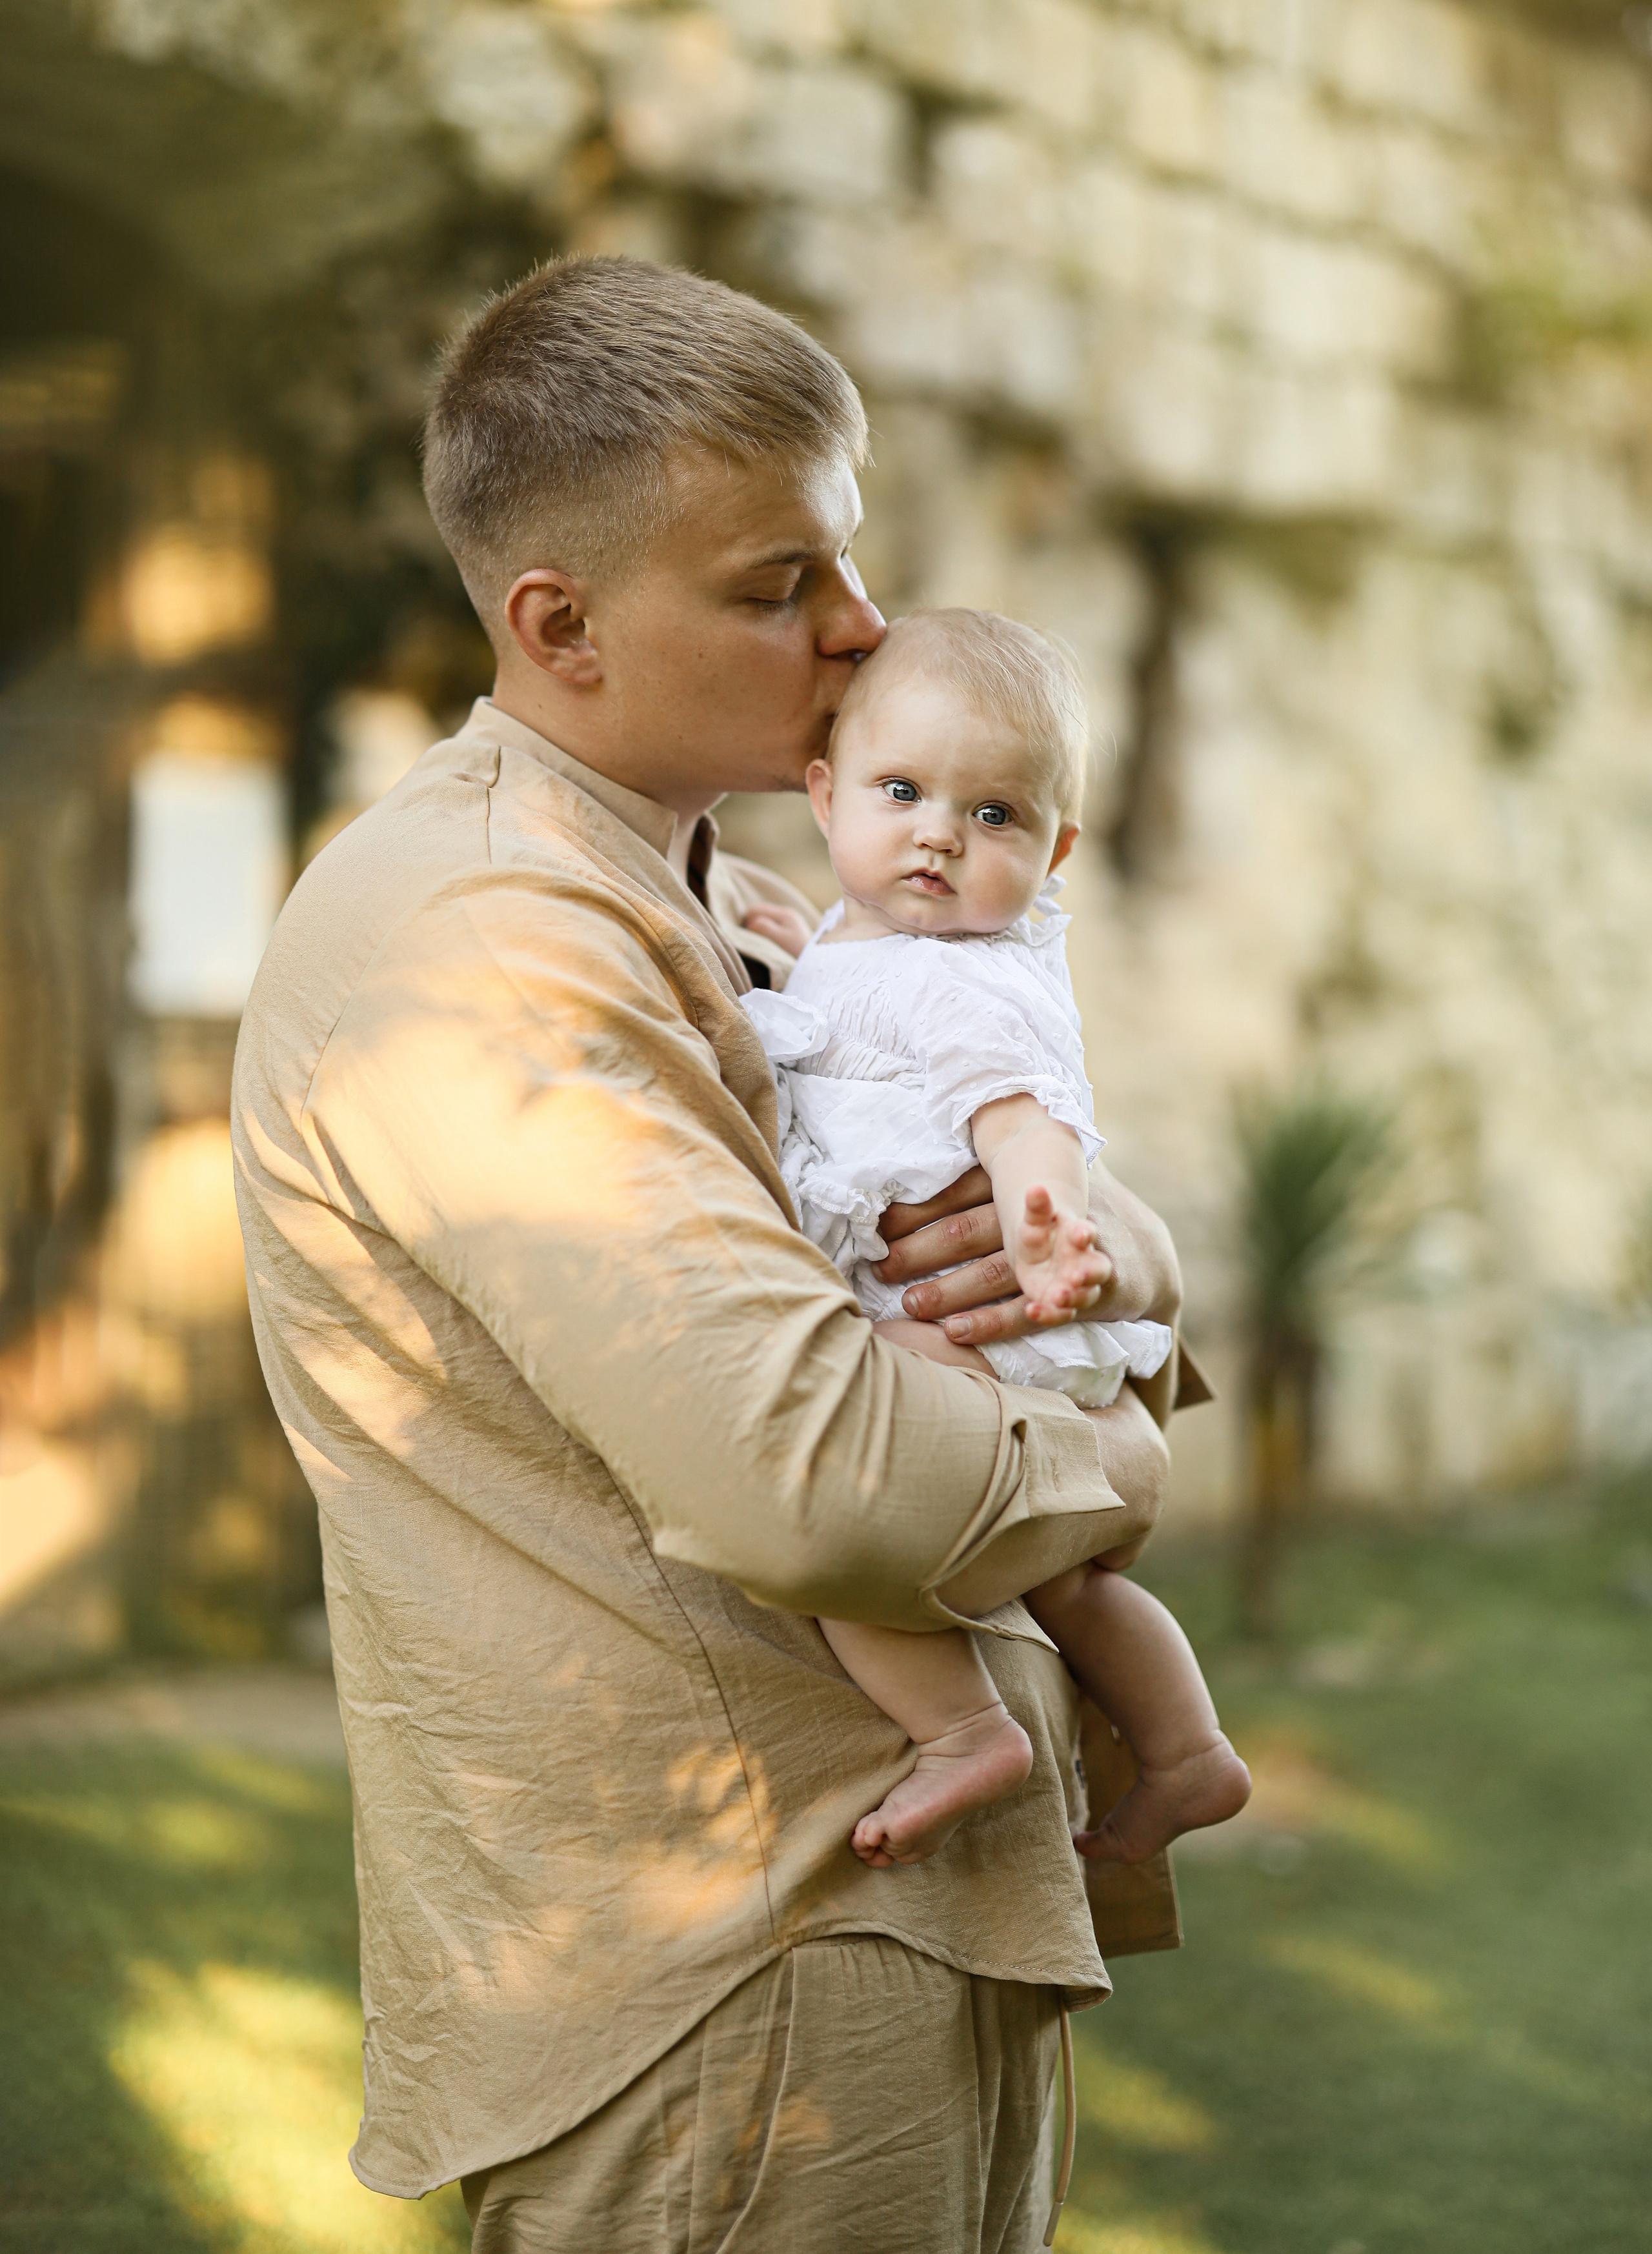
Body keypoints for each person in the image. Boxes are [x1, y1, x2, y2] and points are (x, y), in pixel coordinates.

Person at [232, 255, 1196, 2254]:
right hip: (739, 1974)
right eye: (778, 588)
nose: (859, 636)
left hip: (896, 1916)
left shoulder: (738, 893)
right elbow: (819, 1475)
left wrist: (1124, 1249)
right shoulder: (487, 939)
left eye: (845, 567)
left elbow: (1053, 1193)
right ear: (557, 623)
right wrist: (1131, 1464)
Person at [740, 609, 1251, 1873]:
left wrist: (1045, 1226)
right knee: (1070, 1587)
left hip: (978, 1319)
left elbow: (1024, 1121)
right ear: (824, 794)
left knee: (836, 1524)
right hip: (1004, 1320)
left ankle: (960, 1728)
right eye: (903, 791)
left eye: (993, 817)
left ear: (1055, 848)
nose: (937, 834)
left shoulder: (949, 976)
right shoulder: (853, 946)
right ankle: (1185, 1753)